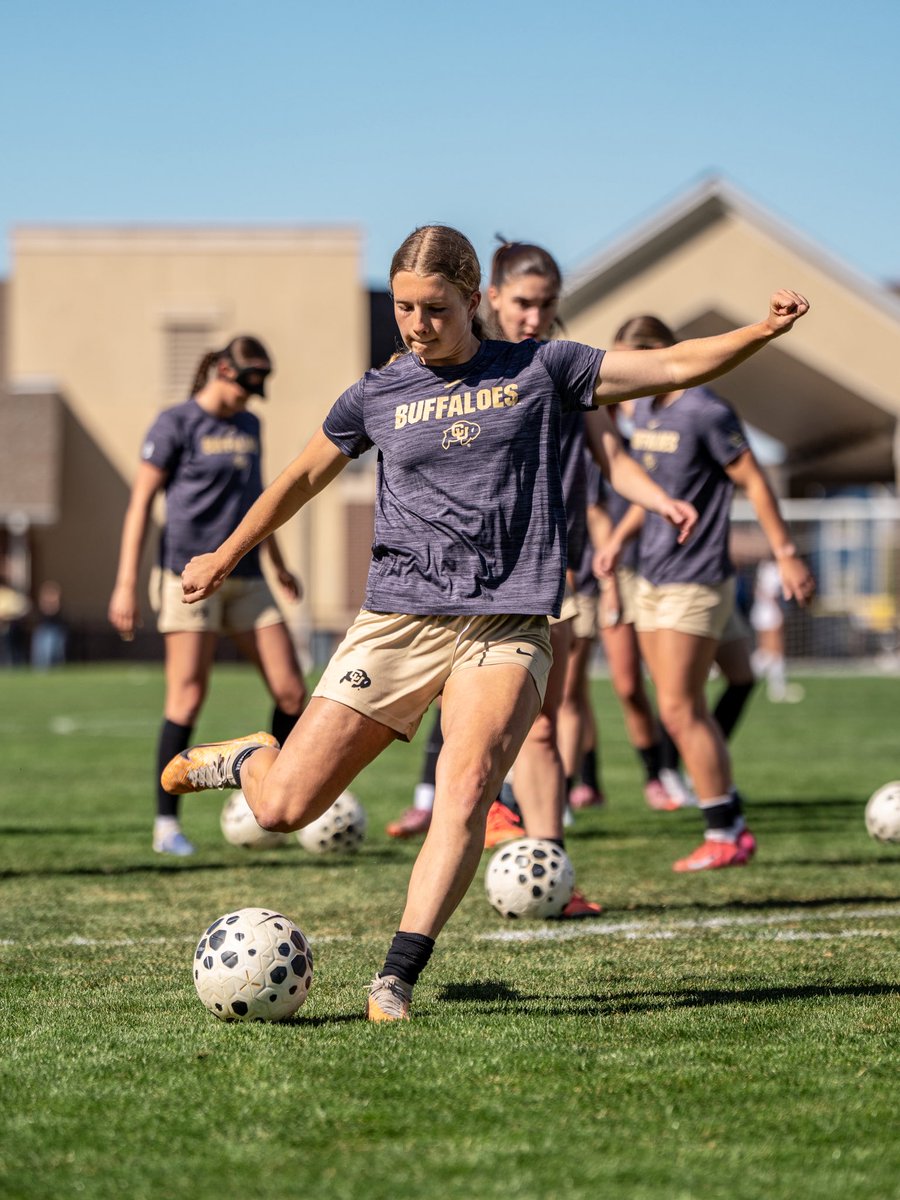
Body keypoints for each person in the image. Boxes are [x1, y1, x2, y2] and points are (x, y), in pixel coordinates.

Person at [160, 224, 809, 1020]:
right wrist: (226, 553)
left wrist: (763, 331)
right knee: (282, 809)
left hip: (506, 625)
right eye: (402, 308)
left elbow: (669, 366)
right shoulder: (379, 392)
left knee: (465, 786)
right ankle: (257, 757)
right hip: (397, 622)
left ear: (474, 301)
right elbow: (299, 475)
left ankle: (394, 977)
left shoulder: (543, 368)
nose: (414, 324)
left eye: (433, 309)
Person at [597, 315, 815, 872]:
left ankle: (725, 829)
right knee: (737, 679)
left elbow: (755, 481)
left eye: (629, 361)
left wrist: (786, 553)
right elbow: (649, 488)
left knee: (679, 707)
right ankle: (723, 803)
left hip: (692, 578)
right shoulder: (644, 409)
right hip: (652, 570)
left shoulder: (706, 411)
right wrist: (618, 541)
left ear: (654, 356)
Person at [108, 335, 307, 856]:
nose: (250, 396)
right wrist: (126, 583)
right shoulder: (175, 423)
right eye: (246, 383)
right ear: (222, 369)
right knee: (188, 696)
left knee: (290, 690)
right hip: (186, 578)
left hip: (246, 578)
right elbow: (140, 505)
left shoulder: (250, 425)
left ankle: (275, 800)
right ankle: (166, 824)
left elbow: (261, 503)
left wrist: (280, 567)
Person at [750, 557, 805, 701]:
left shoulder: (763, 567)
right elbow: (773, 594)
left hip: (760, 611)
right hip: (770, 613)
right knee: (774, 651)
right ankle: (774, 688)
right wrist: (780, 611)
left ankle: (774, 687)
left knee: (768, 651)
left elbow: (757, 590)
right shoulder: (775, 569)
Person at [30, 580, 68, 669]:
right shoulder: (42, 604)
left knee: (56, 652)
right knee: (41, 653)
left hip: (55, 630)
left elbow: (55, 611)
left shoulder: (58, 604)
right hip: (43, 629)